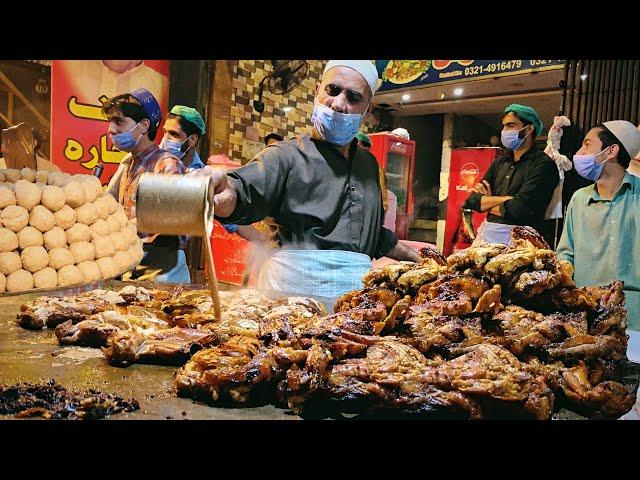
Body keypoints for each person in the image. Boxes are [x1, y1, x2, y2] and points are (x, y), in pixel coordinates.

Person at [197, 60, 421, 298]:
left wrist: (417, 257)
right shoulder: (285, 156)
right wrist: (223, 191)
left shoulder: (369, 165)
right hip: (289, 298)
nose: (338, 104)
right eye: (332, 90)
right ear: (317, 92)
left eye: (353, 97)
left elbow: (371, 236)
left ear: (366, 110)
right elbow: (243, 191)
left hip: (357, 304)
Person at [556, 120, 640, 331]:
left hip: (635, 314)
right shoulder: (579, 199)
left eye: (587, 144)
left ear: (611, 151)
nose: (579, 152)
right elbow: (565, 254)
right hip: (587, 311)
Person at [102, 88, 188, 283]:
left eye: (119, 122)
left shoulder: (166, 163)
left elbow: (177, 220)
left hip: (163, 269)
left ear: (143, 126)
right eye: (110, 122)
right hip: (135, 262)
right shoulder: (129, 165)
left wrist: (127, 227)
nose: (111, 130)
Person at [463, 103, 559, 245]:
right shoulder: (499, 163)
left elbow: (521, 209)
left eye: (511, 126)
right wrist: (508, 199)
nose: (504, 131)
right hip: (487, 237)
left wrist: (488, 201)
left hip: (521, 243)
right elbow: (472, 201)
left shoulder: (543, 165)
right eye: (504, 126)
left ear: (529, 129)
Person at [159, 105, 206, 172]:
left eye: (174, 134)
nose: (165, 139)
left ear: (193, 140)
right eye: (165, 132)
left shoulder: (202, 174)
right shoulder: (153, 165)